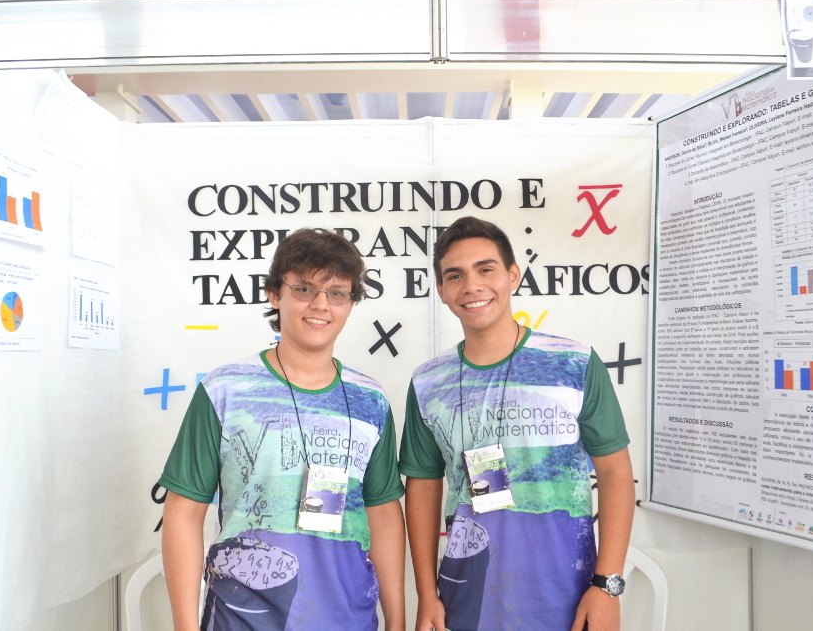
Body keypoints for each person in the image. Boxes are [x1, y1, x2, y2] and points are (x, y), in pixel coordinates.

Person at [159, 228, 406, 631]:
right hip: (240, 619)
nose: (320, 305)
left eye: (337, 293)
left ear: (350, 303)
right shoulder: (225, 390)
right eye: (304, 289)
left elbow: (383, 514)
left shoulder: (371, 400)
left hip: (348, 619)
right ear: (275, 294)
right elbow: (183, 513)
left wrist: (397, 621)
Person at [399, 216, 635, 631]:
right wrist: (426, 593)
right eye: (455, 275)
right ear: (441, 290)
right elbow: (422, 486)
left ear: (512, 275)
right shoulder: (427, 382)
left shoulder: (573, 363)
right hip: (466, 598)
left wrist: (607, 585)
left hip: (567, 596)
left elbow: (616, 473)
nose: (472, 286)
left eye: (485, 269)